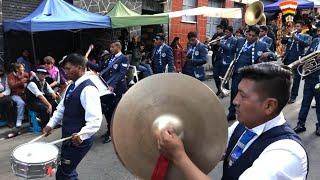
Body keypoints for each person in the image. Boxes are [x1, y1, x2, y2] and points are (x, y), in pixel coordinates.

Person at [158, 63, 308, 180]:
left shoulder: (286, 153)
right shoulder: (243, 125)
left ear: (269, 105)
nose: (235, 101)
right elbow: (212, 149)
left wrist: (179, 156)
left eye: (243, 96)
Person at [43, 53, 102, 179]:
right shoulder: (72, 85)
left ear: (80, 68)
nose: (66, 72)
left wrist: (82, 135)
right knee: (68, 171)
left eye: (69, 69)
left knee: (64, 174)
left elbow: (95, 120)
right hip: (68, 136)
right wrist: (50, 124)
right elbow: (61, 108)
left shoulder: (89, 89)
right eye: (65, 69)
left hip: (79, 140)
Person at [227, 26, 276, 121]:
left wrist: (268, 54)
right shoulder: (240, 41)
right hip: (237, 73)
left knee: (247, 95)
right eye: (249, 35)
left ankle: (245, 113)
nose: (250, 37)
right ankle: (232, 112)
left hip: (250, 75)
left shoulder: (262, 45)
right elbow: (231, 51)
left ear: (257, 37)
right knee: (234, 92)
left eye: (253, 36)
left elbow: (274, 56)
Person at [86, 41, 129, 143]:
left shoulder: (123, 58)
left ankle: (112, 133)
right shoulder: (110, 57)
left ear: (118, 47)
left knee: (113, 111)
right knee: (107, 111)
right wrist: (87, 62)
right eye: (110, 47)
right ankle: (110, 130)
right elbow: (100, 68)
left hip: (116, 89)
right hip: (105, 88)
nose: (110, 49)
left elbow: (121, 73)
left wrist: (112, 85)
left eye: (112, 47)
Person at [293, 26, 320, 135]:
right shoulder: (316, 41)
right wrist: (302, 61)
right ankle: (300, 124)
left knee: (319, 104)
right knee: (305, 102)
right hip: (310, 77)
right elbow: (308, 54)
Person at [281, 21, 311, 104]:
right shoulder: (291, 35)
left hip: (298, 59)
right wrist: (286, 34)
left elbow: (306, 44)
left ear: (302, 27)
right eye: (295, 26)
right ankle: (285, 95)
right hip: (288, 58)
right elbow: (283, 42)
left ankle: (293, 96)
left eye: (298, 26)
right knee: (286, 77)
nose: (296, 28)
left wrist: (296, 38)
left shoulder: (306, 36)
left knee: (296, 79)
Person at [213, 26, 237, 96]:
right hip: (219, 59)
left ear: (231, 32)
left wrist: (220, 44)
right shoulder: (223, 39)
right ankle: (219, 89)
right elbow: (216, 48)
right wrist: (215, 43)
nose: (225, 34)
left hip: (227, 60)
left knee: (225, 77)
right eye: (225, 32)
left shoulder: (234, 40)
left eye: (227, 32)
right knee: (215, 75)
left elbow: (230, 49)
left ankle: (225, 90)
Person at [7, 63, 29, 129]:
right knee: (21, 103)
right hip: (15, 94)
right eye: (22, 67)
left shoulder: (25, 74)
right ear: (17, 69)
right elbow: (12, 85)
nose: (23, 69)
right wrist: (21, 81)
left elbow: (29, 82)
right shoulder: (10, 76)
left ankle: (35, 117)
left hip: (25, 93)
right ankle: (19, 120)